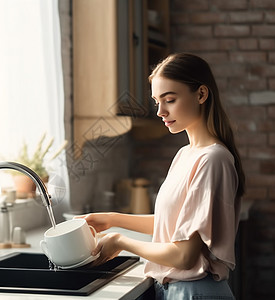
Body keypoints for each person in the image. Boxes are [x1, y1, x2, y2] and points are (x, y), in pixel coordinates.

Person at [76, 53, 245, 299]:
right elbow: (175, 225)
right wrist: (112, 219)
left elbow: (184, 256)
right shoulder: (185, 154)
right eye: (157, 101)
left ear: (201, 94)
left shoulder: (212, 159)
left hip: (194, 292)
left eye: (170, 100)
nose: (160, 111)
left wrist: (120, 241)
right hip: (175, 291)